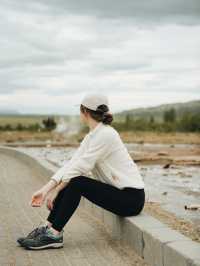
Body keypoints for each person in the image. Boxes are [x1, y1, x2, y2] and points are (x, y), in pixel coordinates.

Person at [17, 93, 145, 250]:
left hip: (131, 200)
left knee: (77, 182)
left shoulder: (106, 134)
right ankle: (48, 226)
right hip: (120, 194)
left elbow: (82, 167)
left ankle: (54, 234)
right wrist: (45, 190)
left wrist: (57, 190)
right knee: (74, 180)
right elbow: (72, 164)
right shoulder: (93, 135)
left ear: (84, 111)